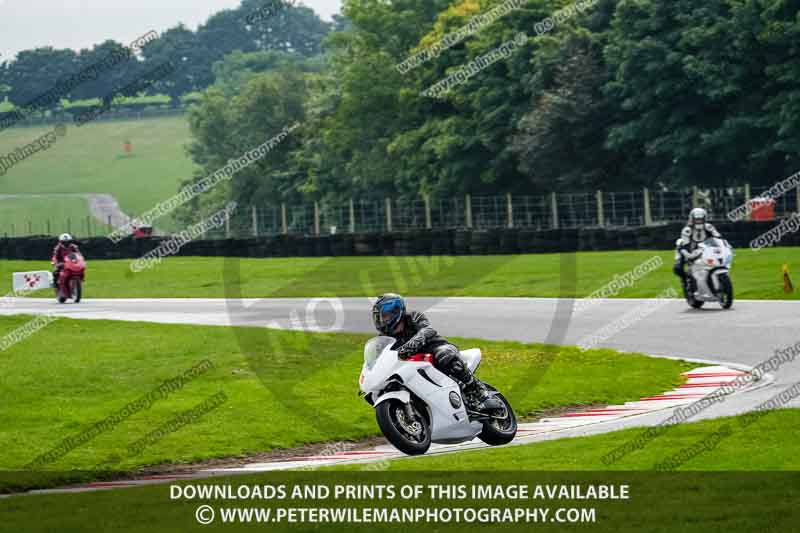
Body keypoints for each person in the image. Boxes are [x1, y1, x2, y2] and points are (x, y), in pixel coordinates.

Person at [372, 293, 501, 412]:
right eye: (380, 317)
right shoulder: (384, 339)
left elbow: (428, 330)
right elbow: (380, 360)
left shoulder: (413, 317)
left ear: (396, 312)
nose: (382, 321)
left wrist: (410, 345)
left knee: (444, 355)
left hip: (436, 349)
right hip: (414, 365)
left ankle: (479, 392)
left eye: (385, 316)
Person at [672, 208, 722, 285]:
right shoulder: (687, 230)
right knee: (677, 268)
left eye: (701, 219)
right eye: (697, 220)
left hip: (707, 251)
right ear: (692, 219)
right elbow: (685, 245)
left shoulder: (708, 227)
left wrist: (723, 246)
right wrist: (689, 255)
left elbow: (718, 237)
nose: (699, 222)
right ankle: (685, 280)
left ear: (704, 218)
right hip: (691, 252)